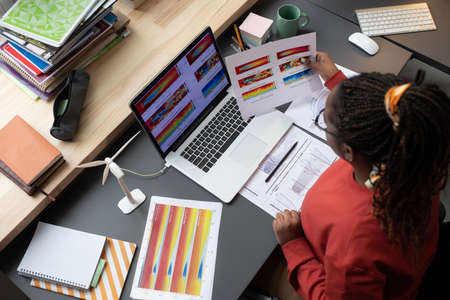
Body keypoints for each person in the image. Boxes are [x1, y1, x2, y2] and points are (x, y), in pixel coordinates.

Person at [272, 52, 450, 299]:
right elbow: (380, 117)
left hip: (320, 262)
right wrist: (338, 83)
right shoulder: (414, 153)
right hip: (390, 258)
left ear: (348, 150)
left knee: (260, 267)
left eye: (325, 122)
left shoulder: (356, 244)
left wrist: (293, 246)